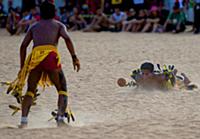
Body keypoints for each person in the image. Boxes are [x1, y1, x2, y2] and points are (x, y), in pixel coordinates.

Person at [6, 1, 80, 128]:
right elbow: (67, 39)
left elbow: (23, 46)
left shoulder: (34, 26)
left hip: (35, 57)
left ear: (41, 13)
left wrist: (23, 66)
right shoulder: (59, 25)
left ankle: (23, 122)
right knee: (62, 88)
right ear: (54, 13)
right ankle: (60, 119)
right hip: (50, 55)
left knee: (30, 90)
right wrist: (74, 57)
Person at [122, 62, 197, 90]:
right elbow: (135, 82)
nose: (144, 76)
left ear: (152, 73)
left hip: (169, 83)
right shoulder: (139, 77)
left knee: (188, 85)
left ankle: (181, 74)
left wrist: (172, 76)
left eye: (147, 74)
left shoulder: (160, 77)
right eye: (143, 74)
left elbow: (172, 81)